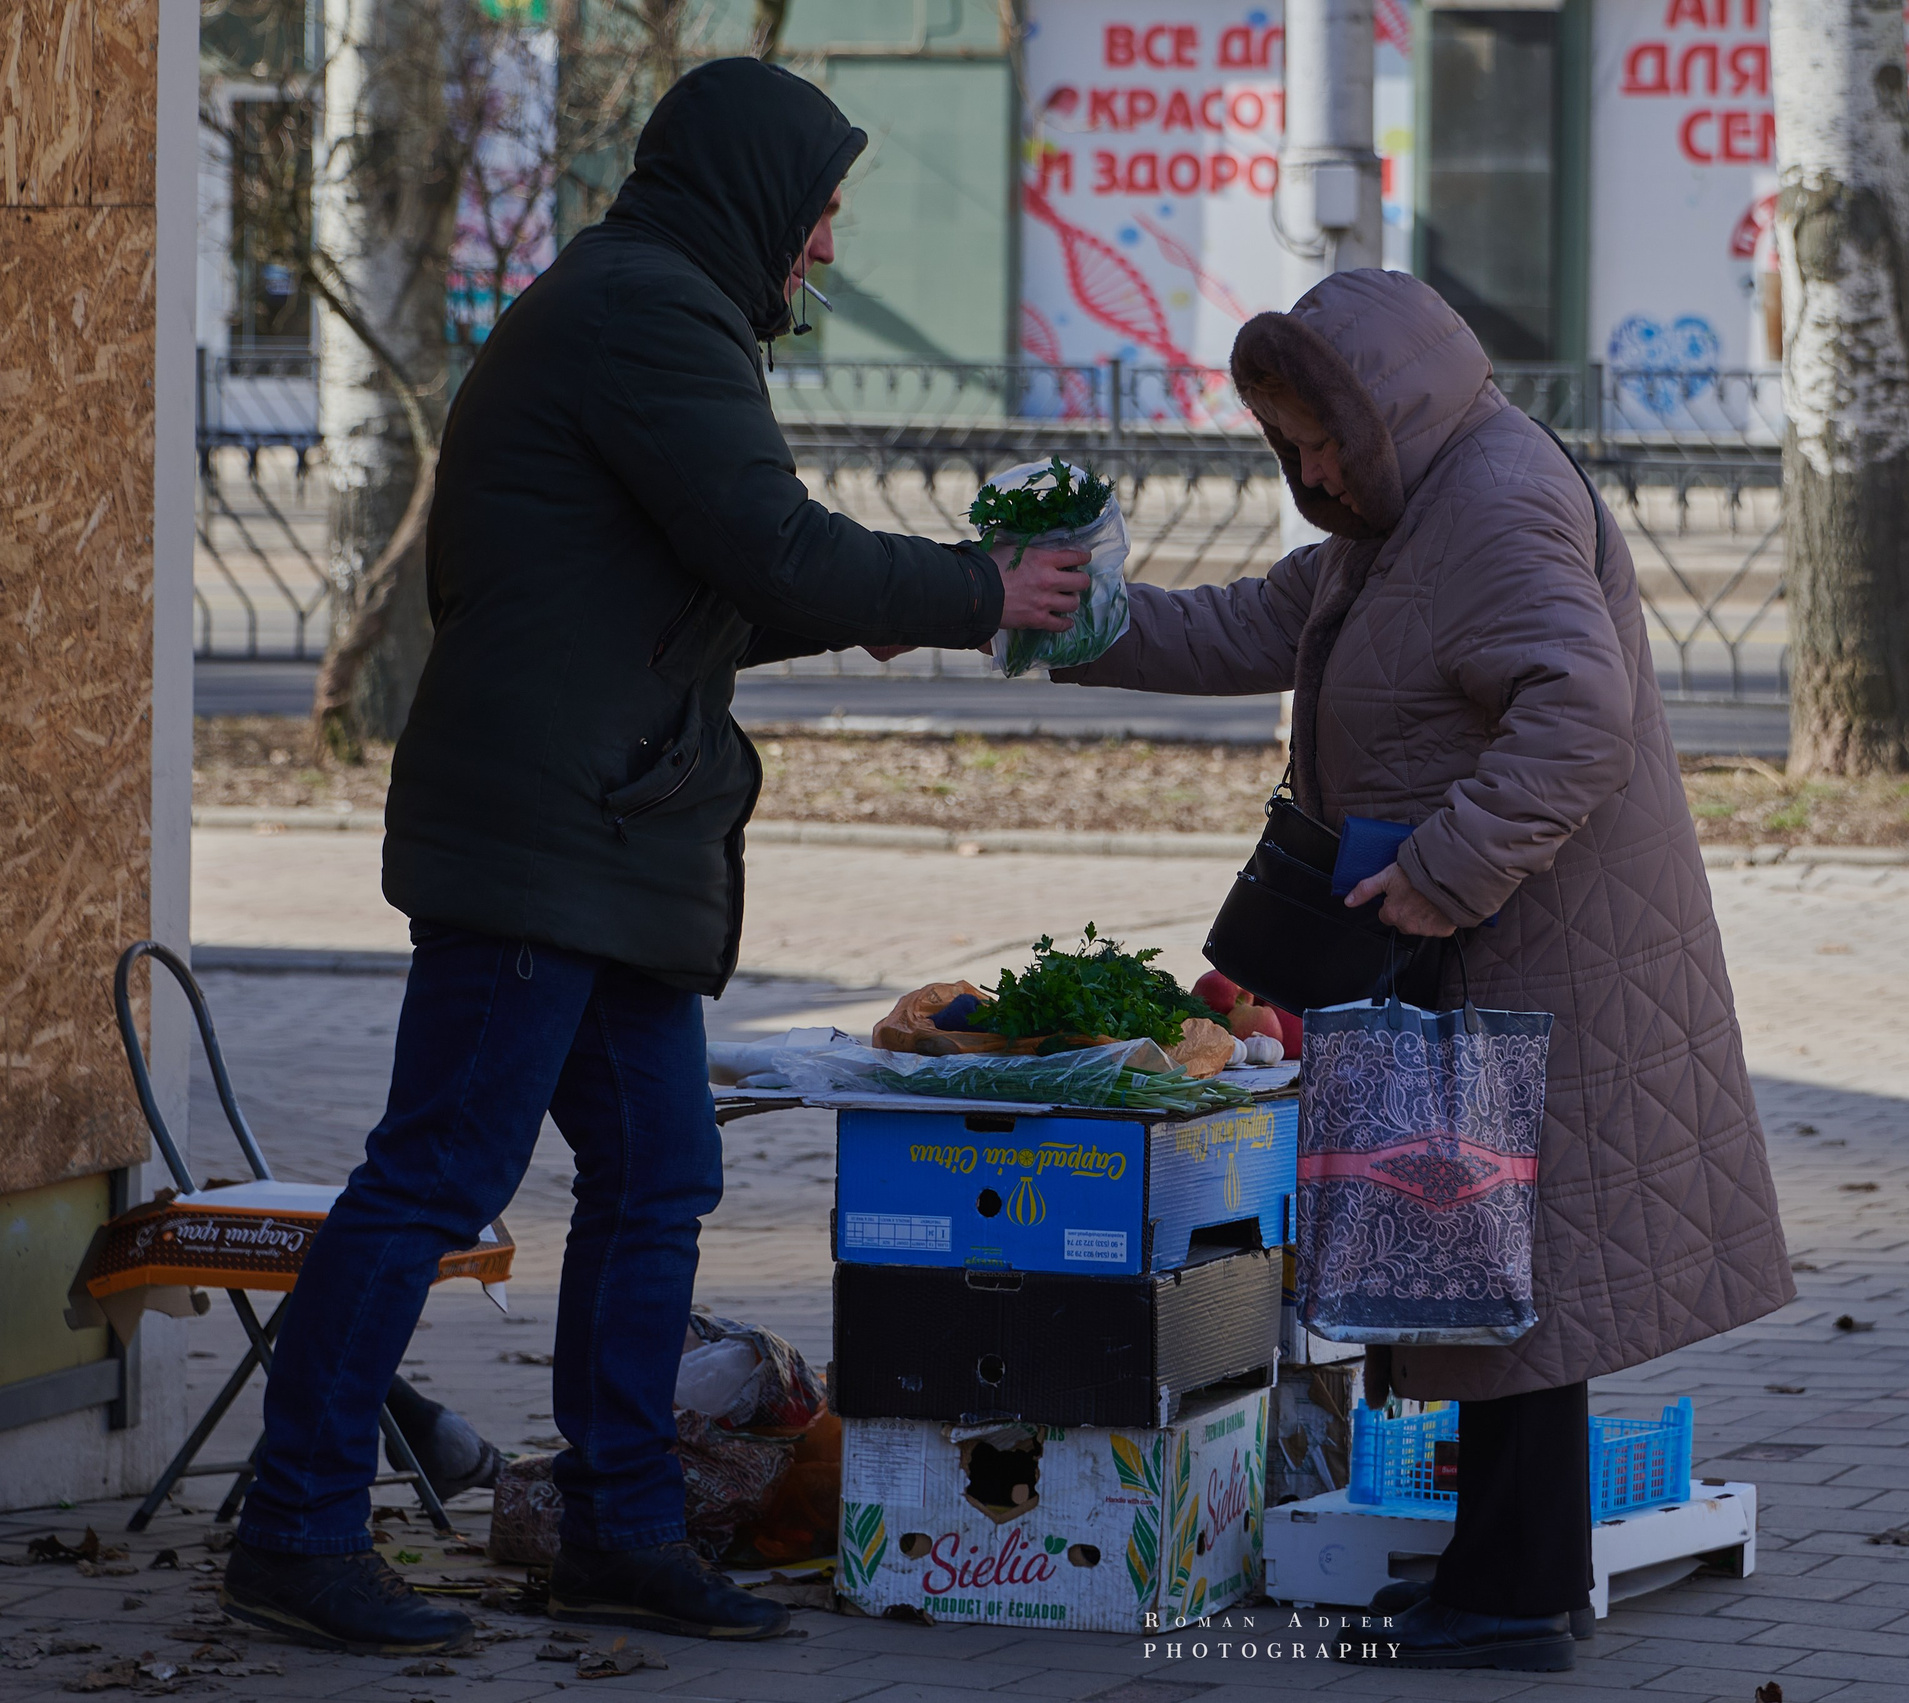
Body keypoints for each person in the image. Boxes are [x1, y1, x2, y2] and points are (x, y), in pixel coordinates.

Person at [219, 59, 1088, 1656]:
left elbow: (689, 579)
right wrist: (978, 591)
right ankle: (295, 1530)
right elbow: (769, 541)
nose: (826, 248)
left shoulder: (649, 301)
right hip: (547, 832)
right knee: (433, 1179)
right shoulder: (649, 313)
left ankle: (622, 1528)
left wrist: (863, 610)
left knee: (658, 1178)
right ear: (757, 192)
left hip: (602, 826)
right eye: (821, 211)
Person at [1057, 270, 1793, 1671]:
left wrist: (1450, 866)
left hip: (1529, 936)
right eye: (1289, 449)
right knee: (1487, 1269)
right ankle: (1505, 1574)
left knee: (1521, 1276)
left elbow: (1580, 712)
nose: (1312, 470)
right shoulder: (1401, 509)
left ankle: (1517, 1599)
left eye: (1323, 441)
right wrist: (1075, 625)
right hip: (1467, 935)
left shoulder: (1493, 503)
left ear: (1387, 407)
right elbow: (1250, 627)